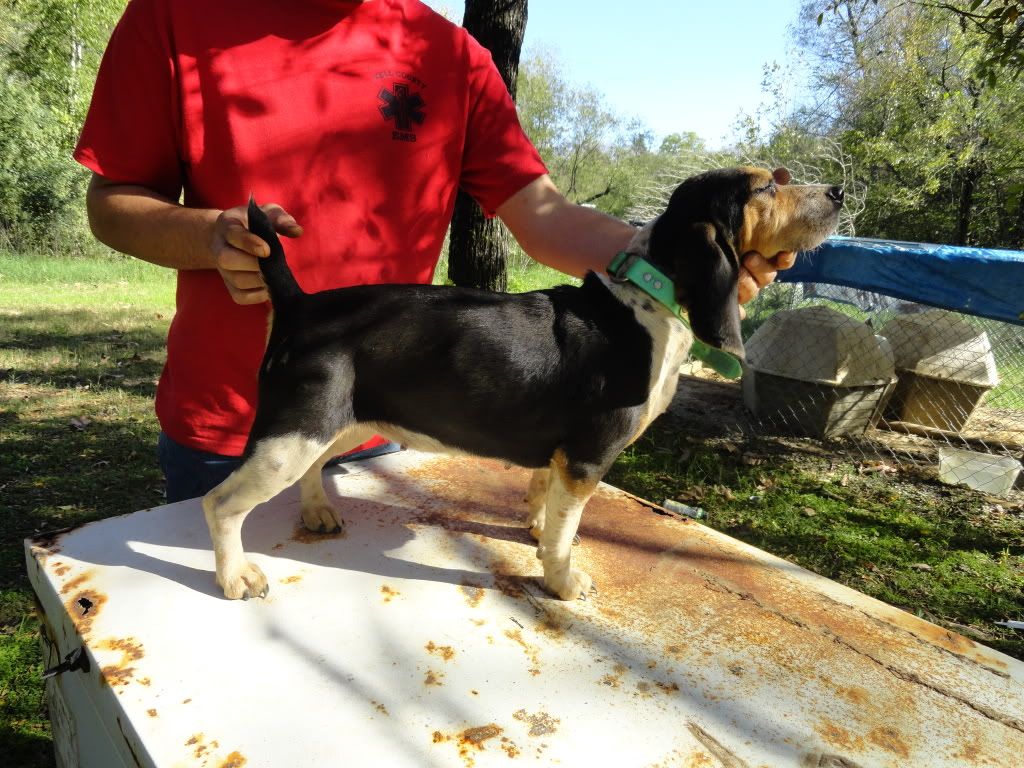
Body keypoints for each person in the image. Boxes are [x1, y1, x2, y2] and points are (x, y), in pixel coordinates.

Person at [76, 0, 792, 503]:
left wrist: (680, 268)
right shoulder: (172, 14)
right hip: (229, 426)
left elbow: (544, 219)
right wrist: (204, 237)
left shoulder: (448, 54)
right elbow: (114, 202)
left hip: (394, 426)